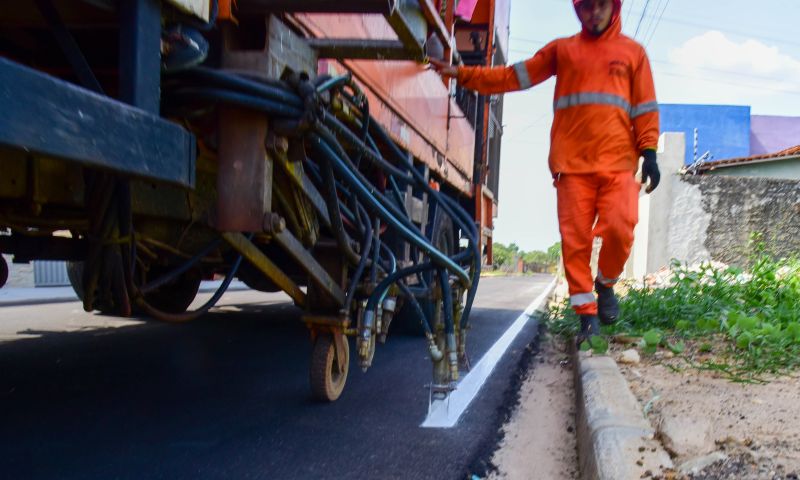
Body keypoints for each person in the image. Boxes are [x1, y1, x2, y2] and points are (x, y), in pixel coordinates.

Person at [430, 0, 660, 345]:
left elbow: (645, 108)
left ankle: (606, 284)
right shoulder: (563, 50)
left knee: (622, 226)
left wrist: (650, 152)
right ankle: (586, 317)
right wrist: (463, 75)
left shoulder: (633, 54)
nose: (592, 14)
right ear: (577, 10)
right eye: (585, 8)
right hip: (572, 167)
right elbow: (513, 76)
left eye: (600, 6)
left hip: (619, 164)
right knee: (575, 244)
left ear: (614, 7)